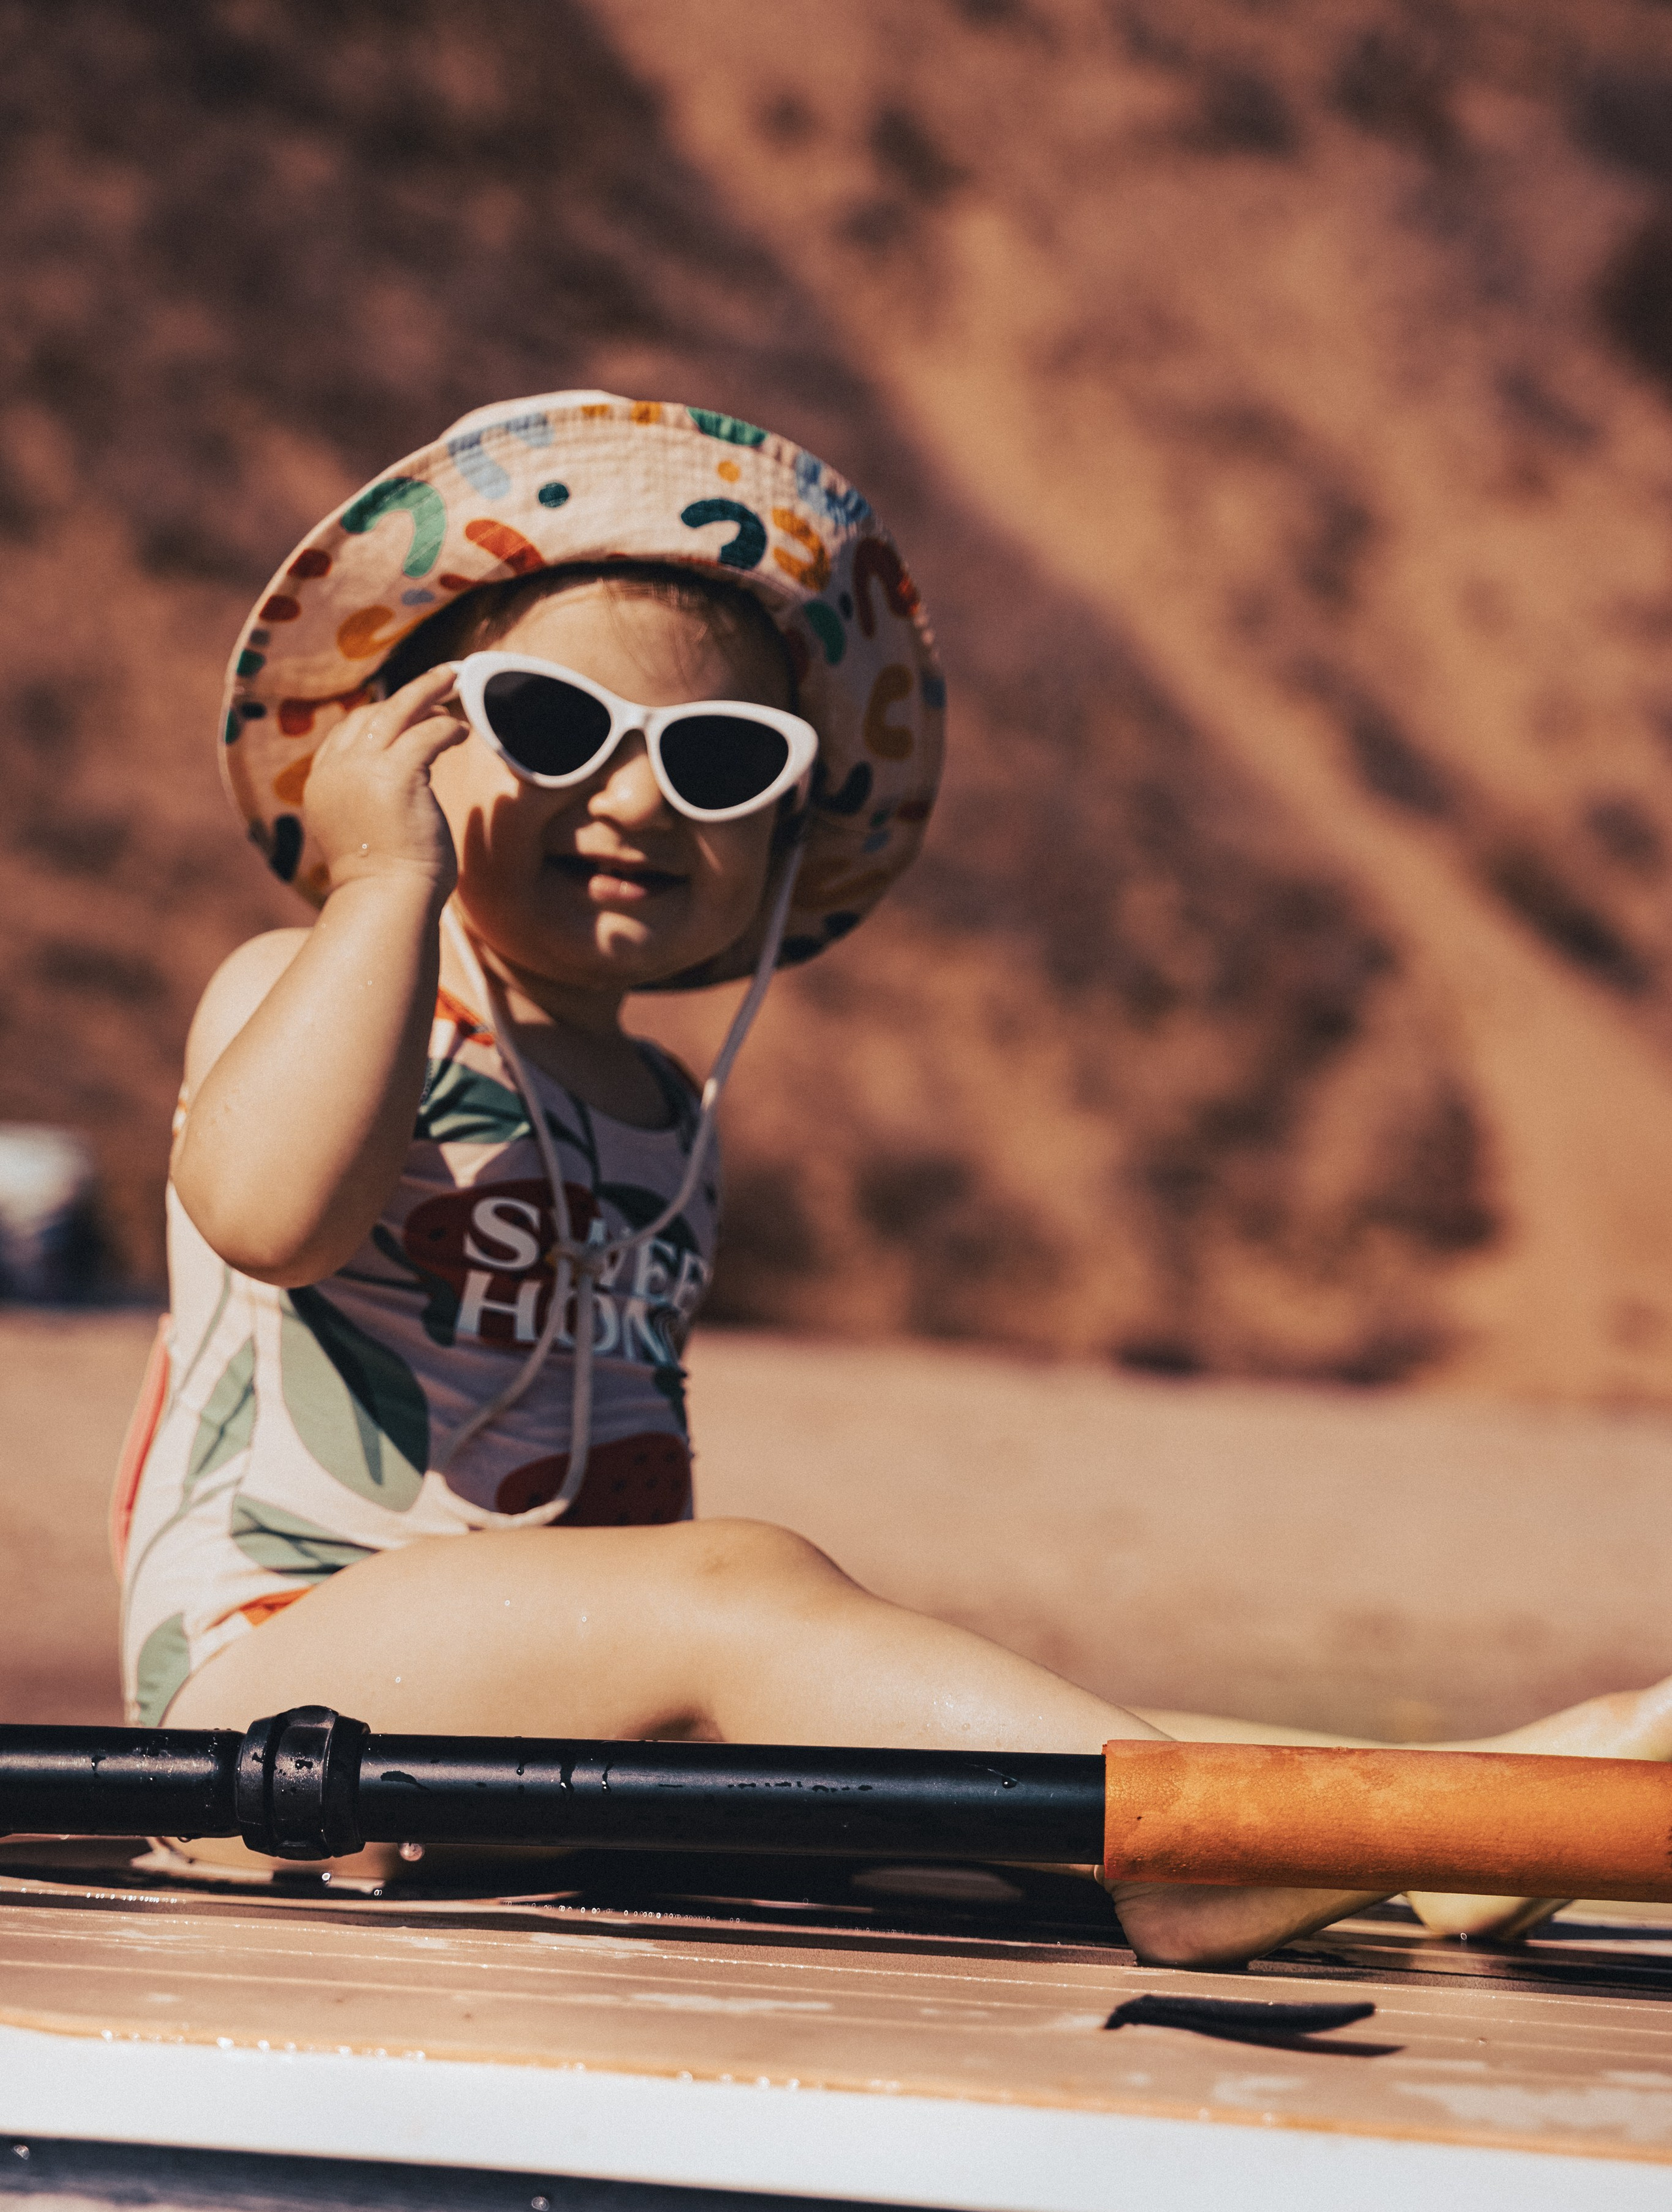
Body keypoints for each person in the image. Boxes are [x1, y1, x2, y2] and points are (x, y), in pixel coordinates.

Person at [115, 391, 1672, 1964]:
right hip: (277, 1710)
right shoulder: (313, 987)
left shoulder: (663, 1112)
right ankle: (1192, 1861)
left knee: (947, 1703)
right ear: (412, 749)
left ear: (782, 829)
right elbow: (267, 1218)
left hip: (548, 1722)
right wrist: (385, 883)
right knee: (743, 1588)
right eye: (556, 729)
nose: (638, 798)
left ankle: (1454, 1822)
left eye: (718, 758)